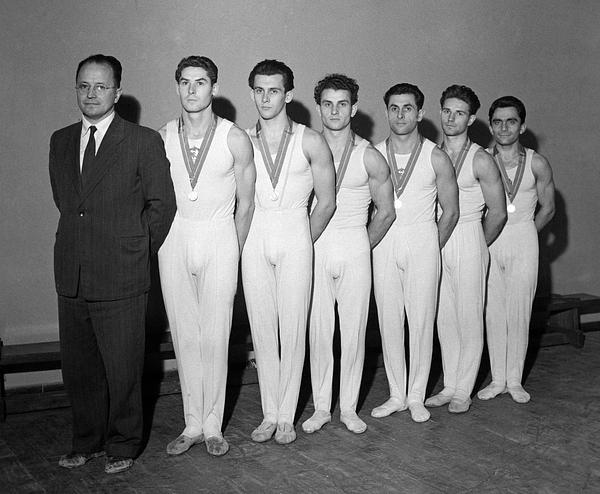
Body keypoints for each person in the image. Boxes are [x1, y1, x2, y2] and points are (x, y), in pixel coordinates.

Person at [49, 54, 176, 474]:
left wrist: (134, 250)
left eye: (101, 86)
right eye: (84, 86)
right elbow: (68, 203)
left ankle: (123, 444)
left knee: (123, 370)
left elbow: (162, 205)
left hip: (122, 275)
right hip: (73, 273)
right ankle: (87, 440)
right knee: (79, 370)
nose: (91, 94)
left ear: (117, 93)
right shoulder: (60, 140)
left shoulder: (141, 141)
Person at [157, 56, 255, 457]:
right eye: (185, 82)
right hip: (175, 238)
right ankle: (192, 423)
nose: (192, 89)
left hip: (218, 236)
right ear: (177, 86)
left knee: (215, 336)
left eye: (200, 82)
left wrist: (232, 249)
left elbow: (246, 205)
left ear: (214, 88)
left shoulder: (234, 138)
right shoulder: (163, 136)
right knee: (185, 335)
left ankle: (213, 426)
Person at [242, 59, 336, 444]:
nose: (266, 98)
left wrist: (301, 241)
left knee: (294, 329)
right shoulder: (241, 140)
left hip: (296, 232)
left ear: (289, 95)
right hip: (255, 237)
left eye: (274, 90)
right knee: (262, 330)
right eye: (259, 90)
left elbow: (326, 202)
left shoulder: (310, 140)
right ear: (252, 94)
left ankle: (286, 416)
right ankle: (269, 413)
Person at [302, 74, 395, 435]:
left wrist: (359, 245)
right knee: (318, 331)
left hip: (354, 243)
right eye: (327, 104)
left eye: (342, 104)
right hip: (315, 245)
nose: (335, 111)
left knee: (354, 332)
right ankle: (321, 407)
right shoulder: (307, 150)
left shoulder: (369, 156)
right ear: (318, 107)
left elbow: (386, 212)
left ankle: (349, 408)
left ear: (354, 108)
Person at [371, 83, 459, 423]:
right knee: (389, 321)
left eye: (407, 108)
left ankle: (416, 396)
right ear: (387, 111)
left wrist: (430, 247)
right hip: (385, 241)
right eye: (394, 108)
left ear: (420, 113)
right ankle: (396, 394)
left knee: (421, 322)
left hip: (422, 239)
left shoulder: (435, 156)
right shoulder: (374, 154)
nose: (400, 114)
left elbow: (451, 211)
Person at [424, 85, 506, 414]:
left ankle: (464, 389)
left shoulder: (481, 159)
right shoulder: (430, 153)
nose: (451, 118)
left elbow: (498, 212)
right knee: (444, 317)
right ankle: (449, 385)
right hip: (436, 235)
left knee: (469, 317)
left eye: (459, 113)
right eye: (447, 111)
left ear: (471, 119)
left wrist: (476, 245)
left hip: (469, 234)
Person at [478, 96, 555, 404]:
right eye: (497, 122)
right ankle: (497, 379)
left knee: (519, 312)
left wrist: (527, 234)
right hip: (490, 238)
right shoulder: (482, 159)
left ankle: (514, 380)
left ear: (522, 126)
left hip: (523, 237)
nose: (504, 128)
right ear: (490, 126)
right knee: (493, 312)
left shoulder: (537, 162)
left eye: (511, 121)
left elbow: (548, 208)